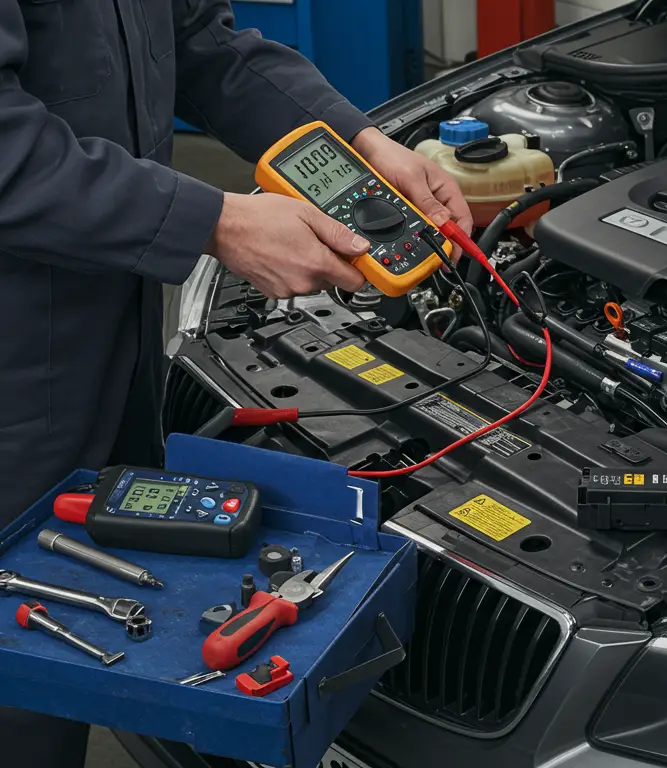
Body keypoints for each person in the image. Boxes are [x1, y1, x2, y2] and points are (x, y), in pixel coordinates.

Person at [0, 1, 472, 764]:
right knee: (18, 685)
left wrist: (356, 142)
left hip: (110, 315)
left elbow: (198, 45)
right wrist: (213, 222)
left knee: (101, 634)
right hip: (15, 360)